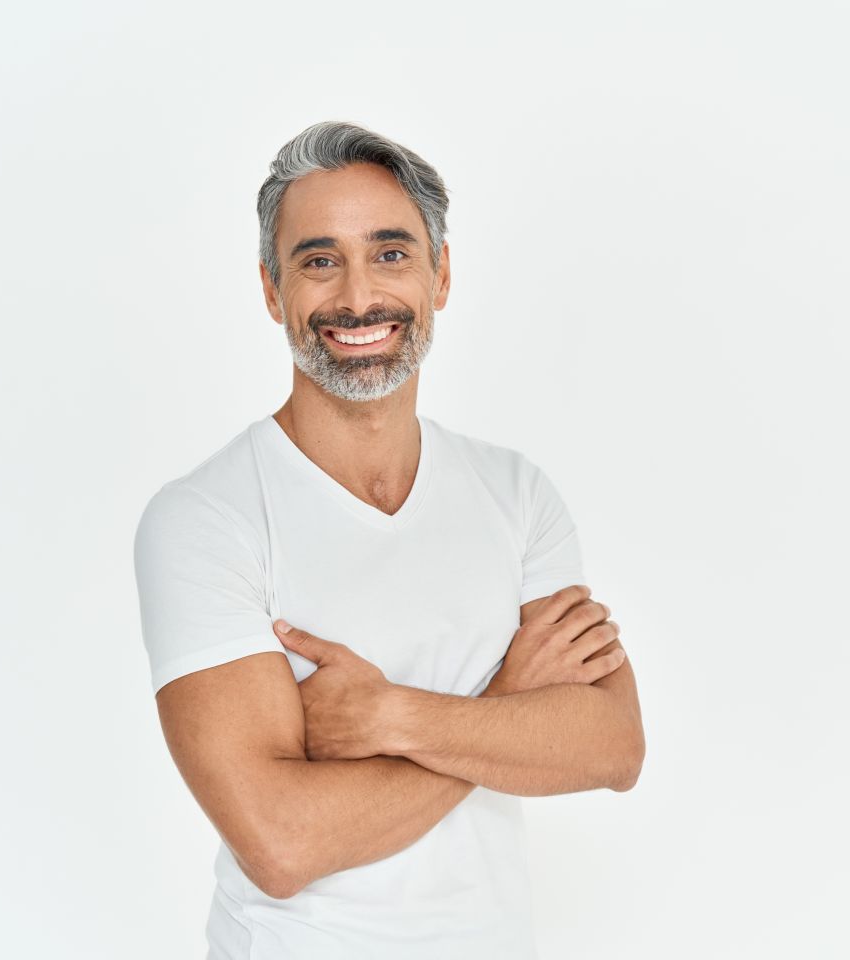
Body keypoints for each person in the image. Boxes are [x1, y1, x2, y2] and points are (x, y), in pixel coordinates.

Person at [132, 120, 645, 959]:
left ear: (442, 276)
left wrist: (390, 715)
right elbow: (280, 843)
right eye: (319, 259)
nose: (358, 297)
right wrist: (507, 702)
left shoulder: (514, 493)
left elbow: (612, 747)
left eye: (392, 253)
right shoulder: (205, 518)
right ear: (272, 290)